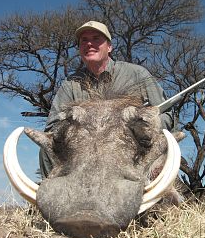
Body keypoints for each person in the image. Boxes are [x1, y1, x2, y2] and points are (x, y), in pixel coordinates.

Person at [39, 20, 173, 178]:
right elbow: (52, 127)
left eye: (96, 38)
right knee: (47, 146)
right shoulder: (70, 84)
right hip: (83, 149)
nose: (89, 44)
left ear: (109, 47)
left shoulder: (137, 74)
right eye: (84, 40)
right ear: (80, 48)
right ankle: (58, 195)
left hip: (129, 147)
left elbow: (166, 115)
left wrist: (142, 127)